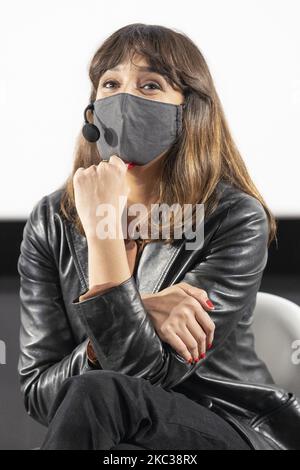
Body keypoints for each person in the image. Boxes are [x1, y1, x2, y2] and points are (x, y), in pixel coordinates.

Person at [18, 23, 300, 450]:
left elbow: (143, 375)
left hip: (227, 425)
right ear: (91, 111)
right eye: (110, 83)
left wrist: (105, 230)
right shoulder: (50, 219)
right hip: (113, 429)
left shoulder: (236, 217)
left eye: (150, 85)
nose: (124, 100)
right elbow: (40, 395)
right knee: (95, 396)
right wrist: (135, 314)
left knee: (99, 393)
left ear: (189, 109)